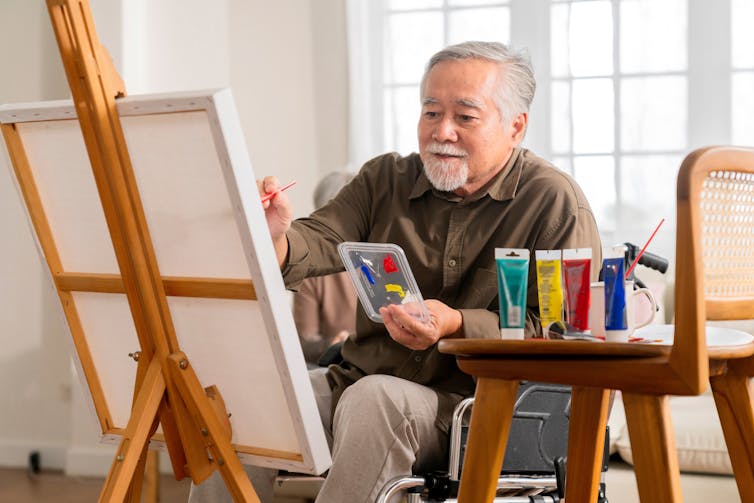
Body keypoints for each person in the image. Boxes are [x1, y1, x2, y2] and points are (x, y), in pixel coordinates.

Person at [190, 40, 601, 503]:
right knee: (251, 400)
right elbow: (321, 238)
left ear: (515, 126)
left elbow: (566, 333)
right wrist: (276, 239)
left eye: (465, 117)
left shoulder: (554, 202)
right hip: (357, 384)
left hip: (475, 409)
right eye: (430, 113)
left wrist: (458, 324)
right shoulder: (384, 179)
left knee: (376, 399)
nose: (442, 131)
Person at [292, 172, 357, 365]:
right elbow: (304, 344)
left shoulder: (383, 259)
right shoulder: (310, 271)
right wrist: (336, 344)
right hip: (340, 365)